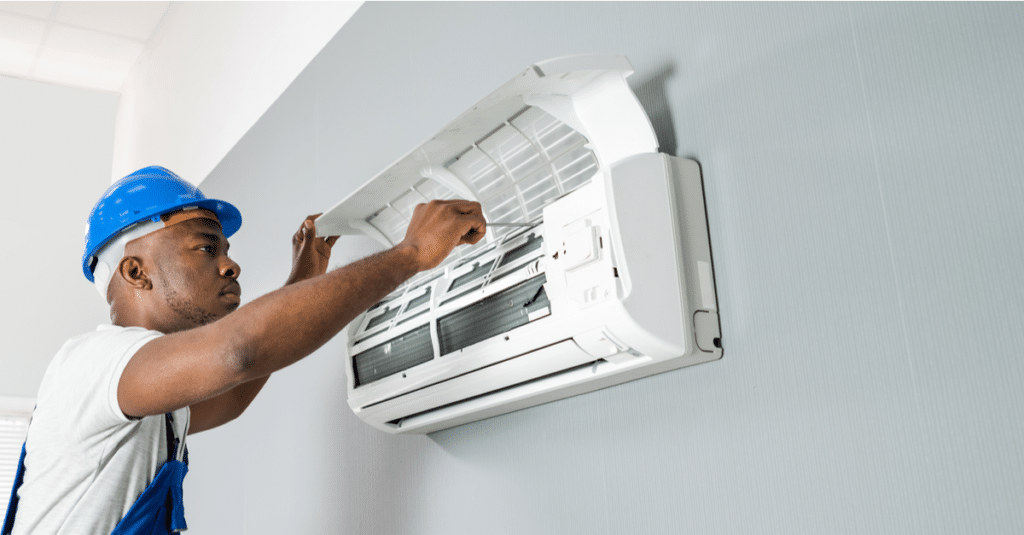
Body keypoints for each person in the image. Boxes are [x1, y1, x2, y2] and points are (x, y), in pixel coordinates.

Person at [3, 166, 485, 534]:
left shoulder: (150, 396)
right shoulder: (94, 361)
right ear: (135, 272)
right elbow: (238, 352)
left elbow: (229, 394)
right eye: (207, 248)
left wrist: (305, 278)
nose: (231, 264)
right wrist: (411, 255)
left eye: (227, 249)